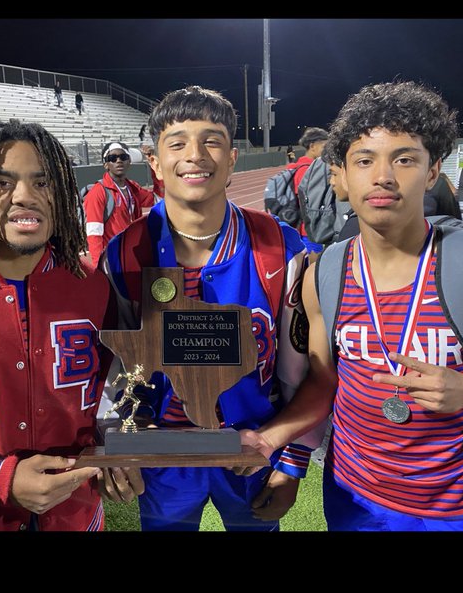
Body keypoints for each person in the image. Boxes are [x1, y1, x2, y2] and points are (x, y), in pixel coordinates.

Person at [100, 85, 328, 532]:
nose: (195, 154)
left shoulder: (281, 249)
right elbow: (109, 370)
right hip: (161, 454)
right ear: (155, 161)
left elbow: (313, 370)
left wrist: (291, 457)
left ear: (232, 159)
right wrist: (115, 441)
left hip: (253, 448)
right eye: (178, 142)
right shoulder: (124, 254)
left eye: (212, 140)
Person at [297, 79, 463, 531]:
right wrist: (277, 446)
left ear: (432, 172)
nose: (383, 176)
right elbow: (322, 382)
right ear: (341, 176)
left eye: (404, 159)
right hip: (351, 498)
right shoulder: (322, 275)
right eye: (364, 160)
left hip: (455, 507)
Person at [0, 117, 140, 532]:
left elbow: (114, 396)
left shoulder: (94, 286)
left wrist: (117, 450)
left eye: (42, 182)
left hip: (75, 514)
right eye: (1, 182)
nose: (24, 196)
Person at [83, 141, 154, 267]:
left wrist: (154, 164)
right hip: (113, 261)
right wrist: (99, 267)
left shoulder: (133, 188)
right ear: (106, 164)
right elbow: (94, 234)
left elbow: (157, 198)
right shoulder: (97, 192)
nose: (118, 161)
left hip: (133, 255)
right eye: (112, 158)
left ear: (129, 161)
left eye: (123, 157)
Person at [289, 127, 329, 236]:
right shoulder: (307, 170)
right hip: (309, 230)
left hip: (307, 227)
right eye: (324, 147)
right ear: (312, 146)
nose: (327, 151)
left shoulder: (301, 166)